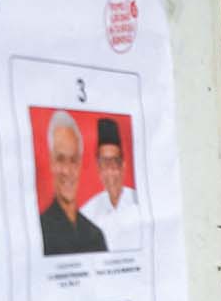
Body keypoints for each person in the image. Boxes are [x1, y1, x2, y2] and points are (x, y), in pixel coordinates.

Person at [39, 109, 107, 255]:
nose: (67, 171)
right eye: (60, 159)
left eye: (74, 160)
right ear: (51, 162)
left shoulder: (95, 236)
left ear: (80, 164)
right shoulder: (40, 232)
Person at [80, 116, 143, 252]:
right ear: (98, 168)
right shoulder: (88, 213)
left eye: (114, 162)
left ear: (123, 166)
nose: (110, 170)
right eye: (104, 163)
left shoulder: (139, 203)